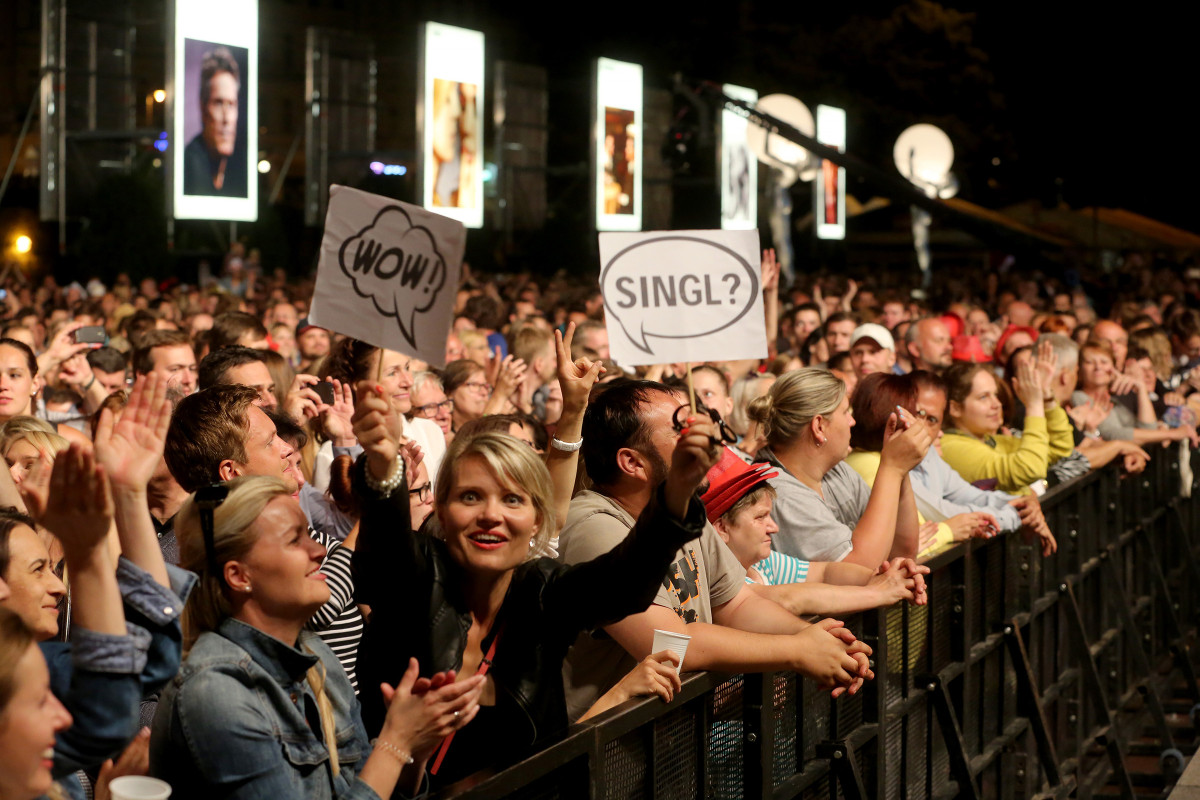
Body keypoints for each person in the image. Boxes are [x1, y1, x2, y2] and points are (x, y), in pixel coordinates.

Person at [350, 382, 725, 785]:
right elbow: (384, 556)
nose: (491, 515)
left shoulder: (541, 592)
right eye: (471, 497)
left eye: (513, 500)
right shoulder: (419, 574)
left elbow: (622, 584)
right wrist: (383, 470)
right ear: (441, 509)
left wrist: (678, 489)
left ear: (537, 521)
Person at [558, 379, 872, 724]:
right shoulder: (594, 525)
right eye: (681, 429)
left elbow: (737, 604)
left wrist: (816, 640)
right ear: (633, 462)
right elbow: (672, 645)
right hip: (609, 744)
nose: (705, 439)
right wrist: (796, 650)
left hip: (676, 737)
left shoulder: (683, 509)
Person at [150, 476, 482, 798]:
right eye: (295, 540)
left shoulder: (316, 656)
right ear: (238, 575)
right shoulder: (216, 690)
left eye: (309, 534)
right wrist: (395, 743)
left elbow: (364, 786)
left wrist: (413, 752)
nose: (320, 551)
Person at [701, 449, 929, 615]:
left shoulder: (763, 563)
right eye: (760, 517)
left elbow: (825, 573)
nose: (774, 527)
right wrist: (878, 592)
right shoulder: (715, 579)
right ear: (722, 528)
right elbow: (790, 598)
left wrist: (878, 578)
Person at [748, 368, 930, 564]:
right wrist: (893, 467)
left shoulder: (836, 471)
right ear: (819, 427)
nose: (852, 421)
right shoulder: (777, 492)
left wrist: (901, 467)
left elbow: (902, 551)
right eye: (845, 412)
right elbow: (858, 568)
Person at [939, 358, 1074, 494]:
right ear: (955, 408)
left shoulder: (995, 441)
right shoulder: (949, 447)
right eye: (983, 397)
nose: (997, 404)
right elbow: (1029, 468)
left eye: (995, 395)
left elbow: (1058, 446)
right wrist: (1034, 405)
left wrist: (1046, 397)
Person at [183, 46, 247, 197]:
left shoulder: (240, 166)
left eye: (231, 104)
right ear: (203, 107)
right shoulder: (189, 162)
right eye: (218, 103)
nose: (226, 118)